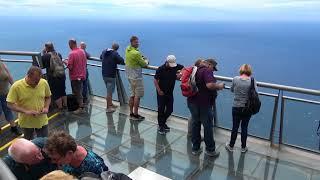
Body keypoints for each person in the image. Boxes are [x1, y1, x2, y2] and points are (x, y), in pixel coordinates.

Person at [187, 59, 224, 157]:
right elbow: (210, 85)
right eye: (213, 68)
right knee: (207, 127)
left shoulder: (195, 69)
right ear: (209, 64)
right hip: (203, 103)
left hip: (192, 102)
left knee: (196, 124)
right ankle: (210, 150)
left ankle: (195, 148)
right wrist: (219, 86)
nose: (213, 70)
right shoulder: (207, 70)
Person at [7, 66, 51, 140]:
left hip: (42, 120)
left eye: (38, 81)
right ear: (28, 76)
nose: (37, 84)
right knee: (28, 144)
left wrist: (46, 107)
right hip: (26, 122)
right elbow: (9, 104)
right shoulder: (16, 86)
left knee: (44, 143)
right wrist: (26, 111)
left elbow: (48, 97)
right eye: (35, 81)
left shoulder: (43, 82)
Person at [44, 130, 108, 178]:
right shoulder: (68, 152)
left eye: (55, 159)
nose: (53, 162)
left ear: (69, 153)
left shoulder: (93, 167)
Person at [225, 64, 257, 153]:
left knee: (235, 127)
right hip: (247, 108)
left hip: (236, 107)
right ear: (249, 71)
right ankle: (243, 147)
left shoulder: (235, 79)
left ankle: (231, 146)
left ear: (241, 70)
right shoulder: (252, 81)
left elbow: (232, 90)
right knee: (244, 127)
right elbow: (256, 93)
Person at [154, 55, 184, 134]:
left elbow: (184, 69)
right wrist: (159, 90)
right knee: (161, 109)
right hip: (161, 92)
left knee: (170, 110)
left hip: (170, 92)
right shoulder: (160, 69)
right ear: (166, 62)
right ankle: (161, 126)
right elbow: (155, 80)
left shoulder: (175, 66)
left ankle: (162, 123)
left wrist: (179, 74)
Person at [125, 36, 148, 120]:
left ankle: (131, 113)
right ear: (132, 42)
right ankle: (135, 115)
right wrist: (146, 60)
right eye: (136, 42)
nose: (138, 43)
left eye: (138, 42)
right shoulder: (136, 53)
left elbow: (136, 57)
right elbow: (144, 64)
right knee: (137, 96)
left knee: (132, 95)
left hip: (129, 76)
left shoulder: (128, 49)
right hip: (136, 77)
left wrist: (140, 57)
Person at [41, 42, 67, 112]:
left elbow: (42, 67)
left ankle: (60, 108)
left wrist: (43, 53)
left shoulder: (45, 56)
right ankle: (65, 105)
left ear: (46, 48)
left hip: (53, 77)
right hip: (62, 75)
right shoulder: (58, 54)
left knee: (56, 93)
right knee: (62, 91)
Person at [100, 43, 125, 113]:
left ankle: (110, 104)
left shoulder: (104, 51)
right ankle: (108, 108)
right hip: (111, 75)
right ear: (117, 49)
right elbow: (121, 61)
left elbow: (100, 57)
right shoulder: (115, 53)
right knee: (109, 92)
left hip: (104, 74)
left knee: (108, 90)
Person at [64, 39, 87, 114]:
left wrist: (65, 61)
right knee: (80, 91)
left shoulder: (72, 54)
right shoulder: (82, 51)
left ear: (71, 44)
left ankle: (81, 108)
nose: (69, 46)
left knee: (77, 92)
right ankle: (80, 106)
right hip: (82, 75)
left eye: (69, 44)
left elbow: (70, 67)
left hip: (75, 76)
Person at [0, 60, 22, 135]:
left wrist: (14, 86)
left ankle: (14, 128)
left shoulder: (2, 64)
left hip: (5, 93)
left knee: (8, 109)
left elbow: (9, 76)